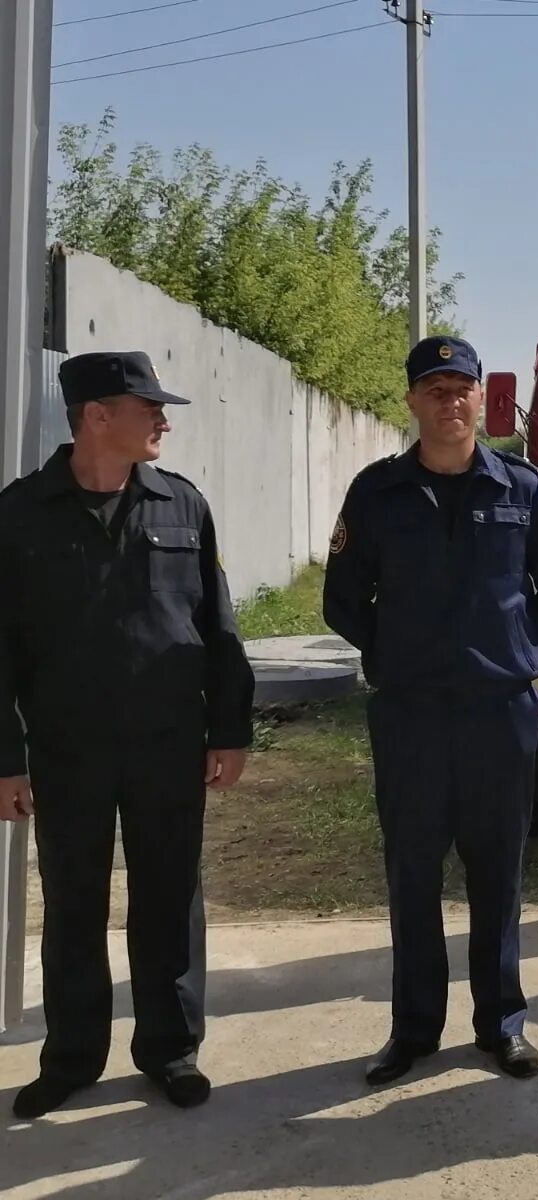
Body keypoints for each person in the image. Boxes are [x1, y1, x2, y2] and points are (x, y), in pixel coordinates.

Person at [323, 336, 538, 1085]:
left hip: (499, 713)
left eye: (461, 387)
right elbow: (343, 599)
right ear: (411, 400)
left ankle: (501, 1024)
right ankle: (413, 1032)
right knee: (412, 872)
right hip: (410, 714)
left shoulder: (523, 489)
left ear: (480, 398)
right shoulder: (375, 493)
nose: (449, 400)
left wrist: (517, 648)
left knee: (498, 873)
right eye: (433, 388)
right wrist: (398, 654)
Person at [0, 351, 254, 1120]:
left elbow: (219, 627)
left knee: (169, 899)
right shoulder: (18, 512)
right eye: (148, 408)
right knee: (74, 902)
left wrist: (231, 728)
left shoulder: (182, 504)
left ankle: (170, 1050)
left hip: (167, 743)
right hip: (68, 748)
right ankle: (72, 1058)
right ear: (96, 416)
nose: (163, 421)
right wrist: (6, 758)